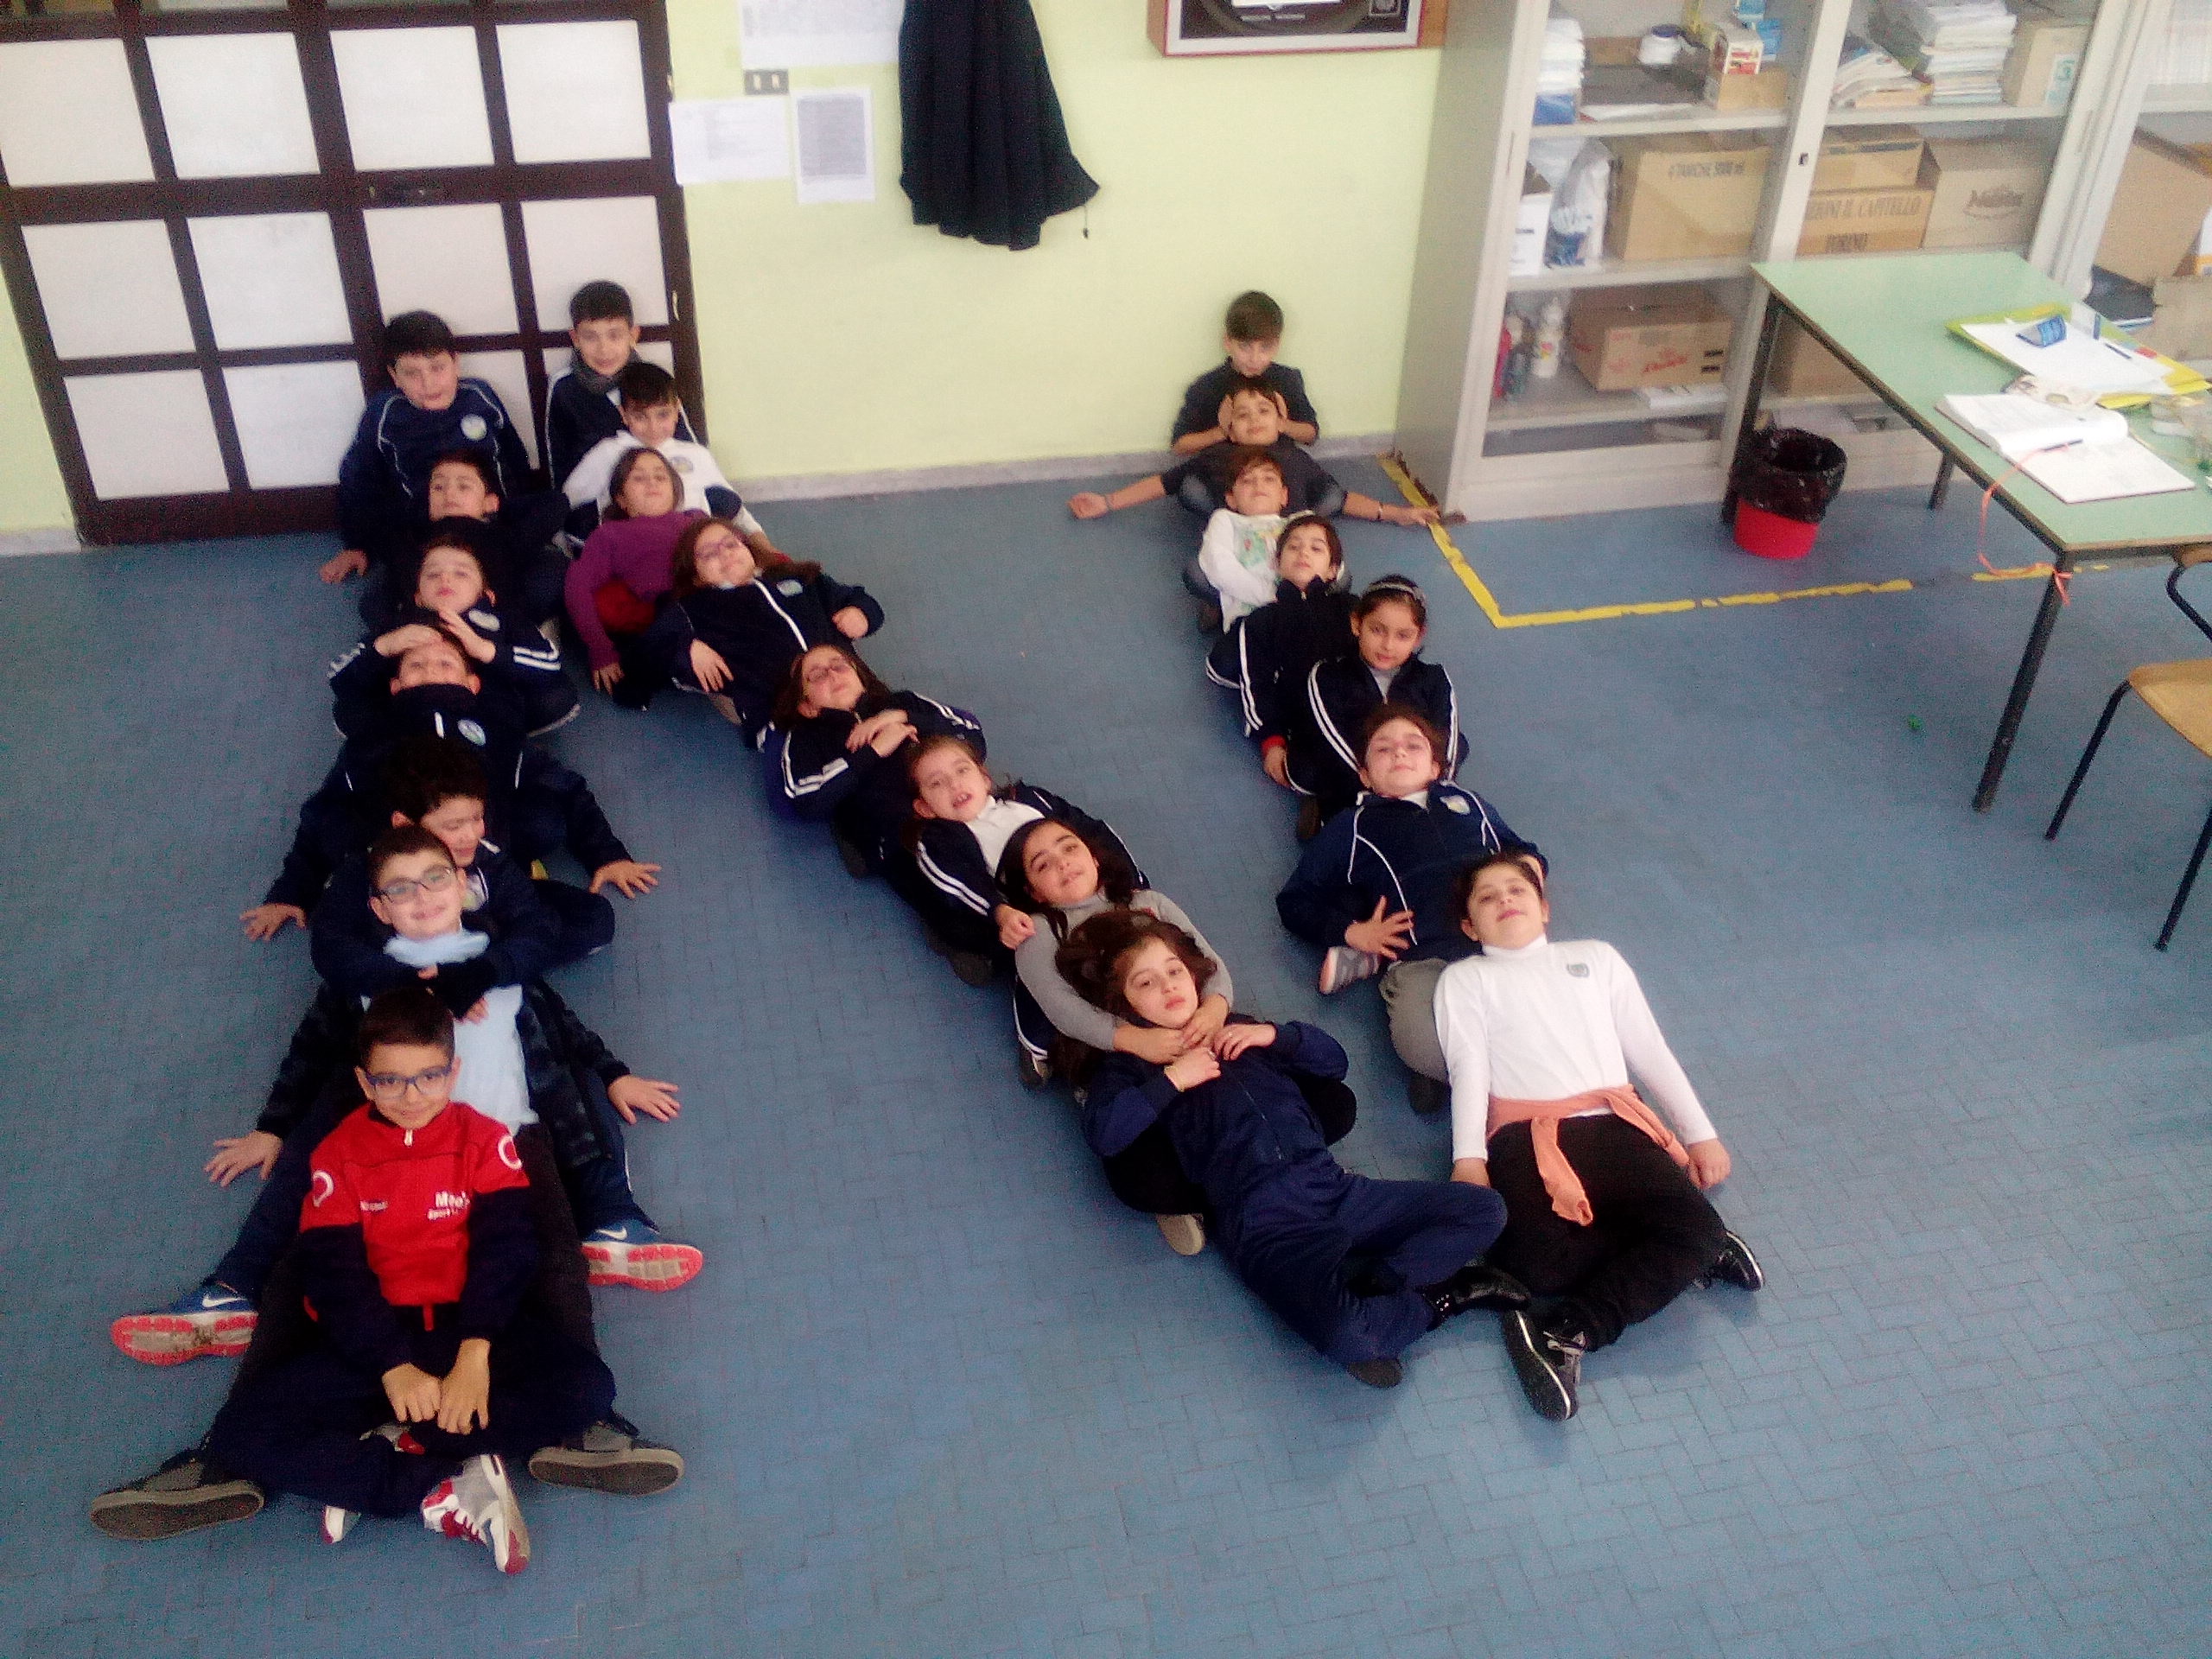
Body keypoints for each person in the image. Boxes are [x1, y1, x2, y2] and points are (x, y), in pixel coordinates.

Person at [90, 989, 684, 1549]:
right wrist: (393, 1367)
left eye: (429, 1076)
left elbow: (506, 1250)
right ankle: (425, 1482)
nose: (411, 1095)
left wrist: (474, 1356)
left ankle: (405, 1443)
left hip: (466, 1331)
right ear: (363, 1082)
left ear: (452, 1073)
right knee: (243, 1432)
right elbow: (335, 1274)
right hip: (376, 1345)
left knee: (587, 1388)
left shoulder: (485, 1140)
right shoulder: (337, 1155)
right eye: (390, 1080)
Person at [118, 828, 701, 1364]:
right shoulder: (365, 977)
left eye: (435, 879)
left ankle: (612, 1245)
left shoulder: (501, 962)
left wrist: (614, 1072)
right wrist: (272, 1126)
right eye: (400, 889)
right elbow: (312, 1050)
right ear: (379, 908)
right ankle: (234, 1297)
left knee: (546, 1257)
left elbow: (563, 1028)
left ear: (462, 884)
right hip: (403, 1148)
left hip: (501, 1142)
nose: (421, 897)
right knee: (321, 1219)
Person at [1059, 911, 1522, 1389]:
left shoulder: (1237, 1026)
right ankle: (1443, 1297)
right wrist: (1173, 1079)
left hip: (1334, 1189)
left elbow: (1334, 1063)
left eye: (1173, 971)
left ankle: (1381, 1281)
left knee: (1485, 1210)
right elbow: (1105, 1133)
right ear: (1126, 1004)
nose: (1168, 986)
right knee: (1351, 1340)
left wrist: (1275, 1035)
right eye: (1146, 983)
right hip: (1265, 1226)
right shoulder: (1133, 1067)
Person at [1433, 847, 1762, 1421]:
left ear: (1544, 907)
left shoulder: (1595, 958)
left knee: (1699, 1232)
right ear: (1469, 926)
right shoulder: (1465, 979)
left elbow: (1648, 1049)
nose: (1505, 900)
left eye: (1518, 889)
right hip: (1523, 1136)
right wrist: (1470, 1158)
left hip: (1612, 1126)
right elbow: (1469, 1068)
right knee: (1536, 1270)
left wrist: (1700, 1134)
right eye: (1487, 897)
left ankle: (1569, 1330)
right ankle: (1677, 1254)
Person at [245, 634, 655, 939]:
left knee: (578, 892)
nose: (431, 673)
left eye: (445, 664)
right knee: (338, 844)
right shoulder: (370, 740)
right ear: (395, 687)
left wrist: (607, 855)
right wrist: (292, 891)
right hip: (403, 865)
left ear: (472, 684)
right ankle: (439, 933)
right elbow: (322, 813)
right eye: (416, 666)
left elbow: (568, 788)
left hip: (485, 855)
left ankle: (467, 930)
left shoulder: (500, 732)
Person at [1276, 706, 1534, 1116]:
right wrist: (1352, 933)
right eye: (1384, 749)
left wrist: (1527, 883)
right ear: (1365, 775)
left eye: (1414, 746)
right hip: (1423, 961)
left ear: (1435, 767)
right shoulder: (1352, 827)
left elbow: (1523, 852)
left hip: (1500, 947)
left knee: (1545, 1011)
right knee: (1415, 1039)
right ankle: (1484, 1079)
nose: (1399, 753)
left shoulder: (1469, 803)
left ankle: (1477, 1076)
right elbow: (1294, 901)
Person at [325, 311, 534, 603]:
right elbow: (358, 479)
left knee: (543, 578)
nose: (428, 383)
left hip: (489, 523)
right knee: (378, 602)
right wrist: (357, 544)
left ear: (456, 363)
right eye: (412, 373)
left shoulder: (480, 396)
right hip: (426, 534)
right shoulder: (384, 413)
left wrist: (517, 512)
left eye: (437, 368)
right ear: (395, 376)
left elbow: (513, 455)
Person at [904, 734, 1140, 988]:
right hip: (1032, 911)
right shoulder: (943, 840)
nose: (954, 784)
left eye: (962, 770)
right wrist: (1000, 913)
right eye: (937, 783)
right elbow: (961, 884)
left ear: (984, 778)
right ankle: (970, 948)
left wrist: (1134, 883)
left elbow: (1094, 830)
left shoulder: (1030, 799)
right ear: (925, 808)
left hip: (1082, 881)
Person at [1067, 384, 1433, 527]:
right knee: (1191, 489)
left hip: (1287, 538)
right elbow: (1163, 483)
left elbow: (1345, 498)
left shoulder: (1297, 460)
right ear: (1230, 429)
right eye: (1242, 415)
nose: (1254, 419)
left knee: (1330, 499)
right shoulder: (1216, 456)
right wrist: (1107, 501)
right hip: (1238, 537)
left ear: (1280, 422)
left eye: (1263, 411)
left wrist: (1397, 513)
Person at [331, 525, 577, 737]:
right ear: (418, 597)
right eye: (433, 575)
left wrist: (487, 651)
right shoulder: (400, 625)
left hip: (484, 715)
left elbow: (550, 663)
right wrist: (385, 647)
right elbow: (339, 676)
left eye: (461, 573)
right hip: (410, 712)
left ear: (486, 595)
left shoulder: (505, 621)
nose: (445, 580)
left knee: (557, 696)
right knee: (349, 709)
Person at [652, 516, 884, 741]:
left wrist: (861, 613)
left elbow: (858, 598)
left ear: (748, 548)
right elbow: (654, 645)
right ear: (696, 575)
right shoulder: (695, 609)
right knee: (840, 750)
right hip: (781, 714)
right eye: (710, 553)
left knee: (893, 727)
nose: (725, 553)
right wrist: (688, 647)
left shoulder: (798, 577)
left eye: (731, 544)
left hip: (852, 688)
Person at [1287, 575, 1466, 834]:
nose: (1388, 645)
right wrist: (1379, 786)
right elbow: (1334, 741)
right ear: (1356, 624)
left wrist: (1429, 788)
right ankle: (1326, 809)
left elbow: (1447, 741)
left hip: (1409, 773)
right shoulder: (1327, 675)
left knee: (1459, 745)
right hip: (1358, 774)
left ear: (1419, 637)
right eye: (1377, 630)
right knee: (1309, 764)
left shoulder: (1434, 678)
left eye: (1403, 636)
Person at [1206, 514, 1357, 792]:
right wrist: (1272, 740)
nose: (1303, 553)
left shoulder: (1350, 610)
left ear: (1333, 570)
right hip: (1301, 719)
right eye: (1293, 546)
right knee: (1302, 773)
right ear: (1277, 563)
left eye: (1316, 548)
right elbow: (1256, 683)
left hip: (1351, 710)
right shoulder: (1260, 620)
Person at [359, 449, 569, 637]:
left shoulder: (500, 534)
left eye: (463, 487)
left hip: (494, 613)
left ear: (490, 501)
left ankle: (531, 630)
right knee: (375, 598)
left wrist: (499, 508)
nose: (449, 494)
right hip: (429, 612)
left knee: (554, 569)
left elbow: (556, 503)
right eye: (438, 487)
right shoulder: (416, 534)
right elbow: (384, 534)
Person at [562, 448, 704, 706]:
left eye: (660, 477)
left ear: (675, 491)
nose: (652, 483)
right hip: (668, 609)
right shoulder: (611, 534)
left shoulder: (695, 519)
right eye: (639, 478)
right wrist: (601, 650)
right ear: (621, 499)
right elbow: (578, 586)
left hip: (713, 592)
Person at [562, 361, 752, 538]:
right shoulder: (608, 453)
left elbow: (737, 512)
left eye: (663, 415)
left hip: (691, 550)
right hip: (631, 548)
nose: (653, 427)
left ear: (677, 410)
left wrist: (761, 543)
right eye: (640, 417)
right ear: (624, 414)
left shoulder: (697, 455)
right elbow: (565, 505)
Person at [543, 279, 699, 493]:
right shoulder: (563, 387)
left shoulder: (655, 379)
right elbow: (558, 461)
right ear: (575, 338)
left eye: (614, 335)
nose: (604, 349)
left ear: (633, 336)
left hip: (661, 496)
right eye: (590, 337)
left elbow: (688, 448)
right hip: (598, 500)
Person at [1170, 289, 1319, 455]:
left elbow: (1311, 434)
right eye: (1245, 347)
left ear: (1277, 345)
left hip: (1279, 463)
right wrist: (1222, 431)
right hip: (1225, 465)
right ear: (1228, 342)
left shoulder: (1286, 379)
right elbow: (1179, 446)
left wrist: (1281, 424)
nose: (1254, 359)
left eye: (1265, 347)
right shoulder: (1208, 386)